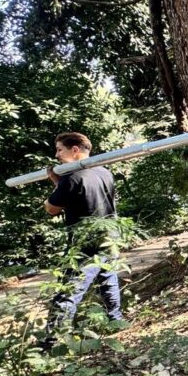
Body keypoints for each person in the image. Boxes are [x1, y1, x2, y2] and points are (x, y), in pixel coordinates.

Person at [41, 132, 124, 344]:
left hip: (85, 242)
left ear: (75, 150)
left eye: (60, 149)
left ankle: (54, 342)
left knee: (70, 288)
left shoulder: (72, 178)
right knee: (108, 281)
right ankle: (116, 322)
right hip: (110, 237)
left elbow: (51, 208)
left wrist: (58, 184)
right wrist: (60, 183)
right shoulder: (104, 172)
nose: (57, 154)